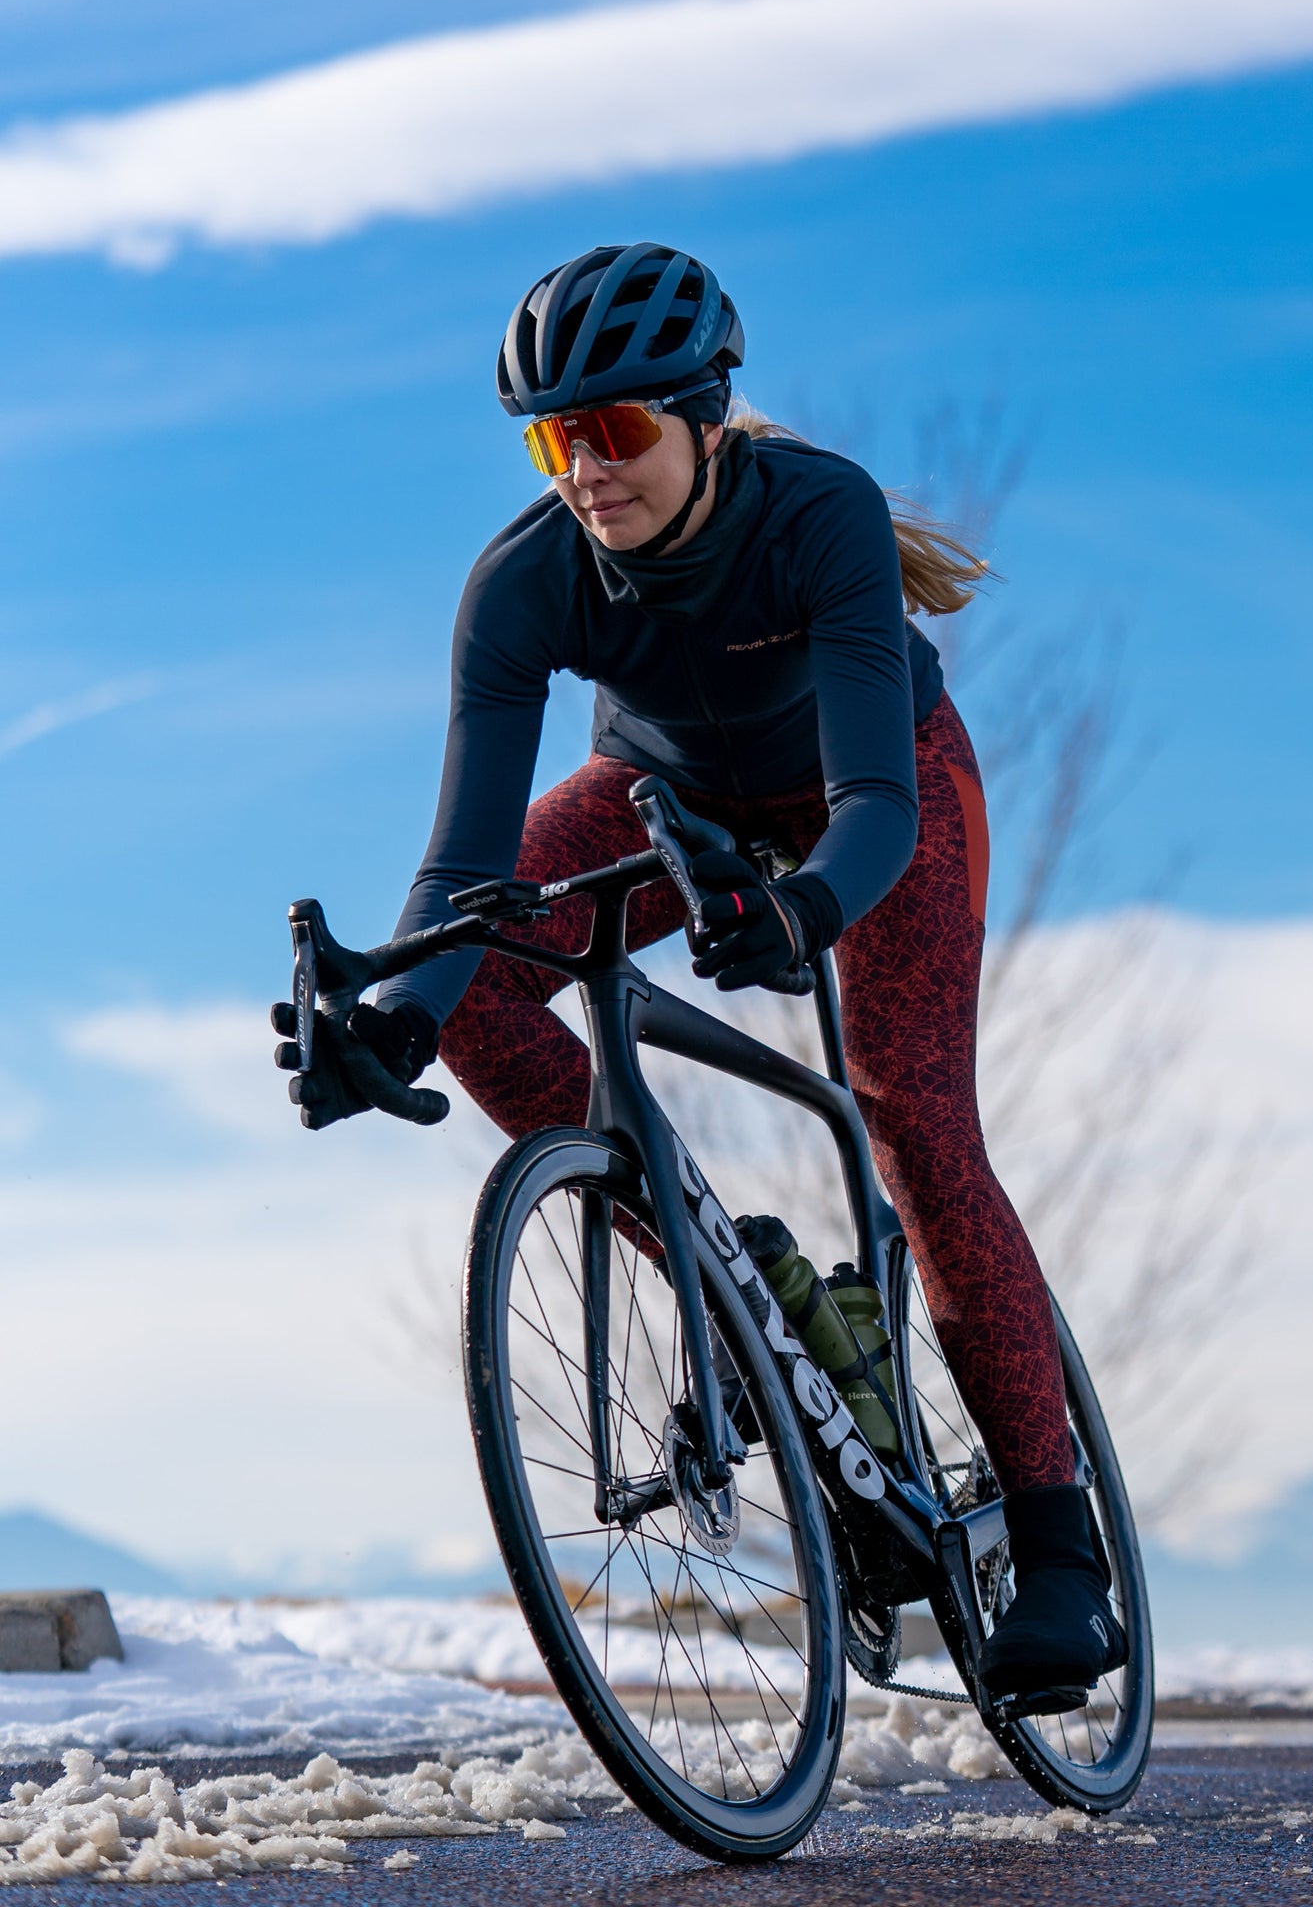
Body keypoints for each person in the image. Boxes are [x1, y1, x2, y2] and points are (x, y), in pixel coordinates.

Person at [279, 242, 1120, 1696]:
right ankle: (735, 1289)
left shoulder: (821, 514)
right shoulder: (522, 583)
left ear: (705, 414)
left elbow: (873, 808)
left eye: (612, 432)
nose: (583, 471)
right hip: (665, 797)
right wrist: (397, 1021)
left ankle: (1061, 1557)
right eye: (553, 439)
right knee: (475, 985)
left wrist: (800, 915)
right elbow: (465, 874)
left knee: (912, 1115)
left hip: (875, 797)